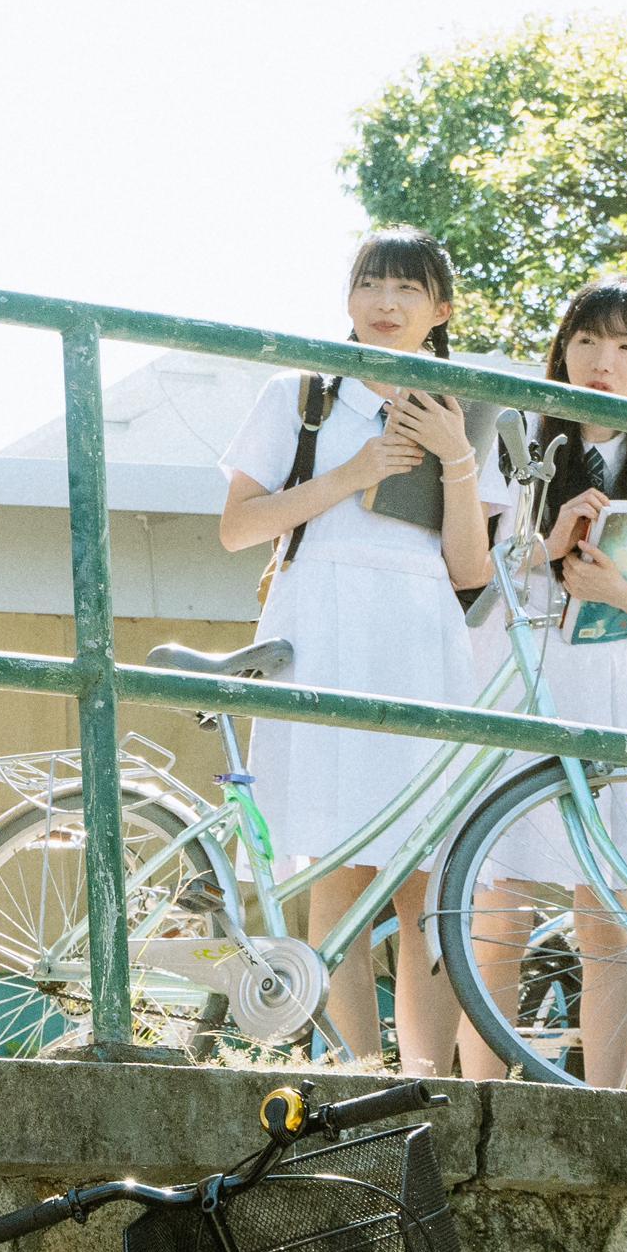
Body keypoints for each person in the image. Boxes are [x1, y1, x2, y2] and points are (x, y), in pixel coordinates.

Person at [212, 230, 506, 1077]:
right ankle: (350, 1078)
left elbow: (470, 570)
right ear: (347, 299)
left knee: (427, 876)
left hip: (420, 634)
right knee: (336, 867)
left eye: (408, 289)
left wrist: (455, 457)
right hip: (323, 625)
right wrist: (353, 471)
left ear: (440, 310)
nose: (386, 303)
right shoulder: (300, 393)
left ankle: (426, 1082)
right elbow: (237, 529)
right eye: (371, 284)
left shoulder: (467, 407)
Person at [483, 278, 627, 1089]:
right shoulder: (515, 437)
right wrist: (547, 544)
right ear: (562, 350)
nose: (601, 361)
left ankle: (603, 1103)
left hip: (616, 685)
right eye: (586, 341)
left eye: (625, 346)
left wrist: (619, 592)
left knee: (609, 915)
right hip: (521, 677)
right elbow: (472, 579)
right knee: (498, 906)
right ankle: (481, 1096)